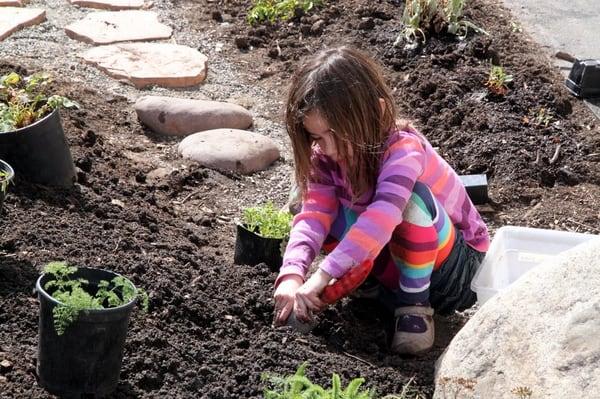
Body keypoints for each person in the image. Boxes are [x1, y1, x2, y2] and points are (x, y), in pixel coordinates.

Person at [273, 46, 490, 355]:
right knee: (315, 205)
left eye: (336, 133)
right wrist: (292, 275)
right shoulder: (326, 157)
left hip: (454, 274)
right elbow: (313, 216)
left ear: (373, 112)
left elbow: (382, 219)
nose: (329, 148)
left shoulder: (403, 150)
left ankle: (414, 308)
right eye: (317, 137)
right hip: (392, 266)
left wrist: (323, 275)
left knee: (409, 203)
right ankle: (371, 287)